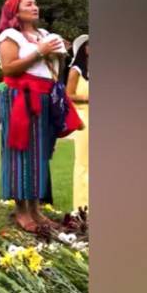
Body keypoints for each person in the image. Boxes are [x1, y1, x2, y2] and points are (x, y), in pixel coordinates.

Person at [0, 0, 83, 233]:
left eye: (36, 2)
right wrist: (40, 51)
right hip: (20, 98)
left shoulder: (44, 35)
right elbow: (9, 69)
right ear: (15, 10)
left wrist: (56, 54)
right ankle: (22, 212)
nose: (35, 7)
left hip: (45, 98)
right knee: (21, 151)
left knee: (41, 153)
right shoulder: (9, 36)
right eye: (29, 4)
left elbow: (54, 69)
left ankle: (35, 210)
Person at [66, 35, 89, 211]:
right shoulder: (76, 71)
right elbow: (68, 95)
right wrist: (85, 97)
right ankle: (82, 206)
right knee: (84, 162)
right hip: (84, 119)